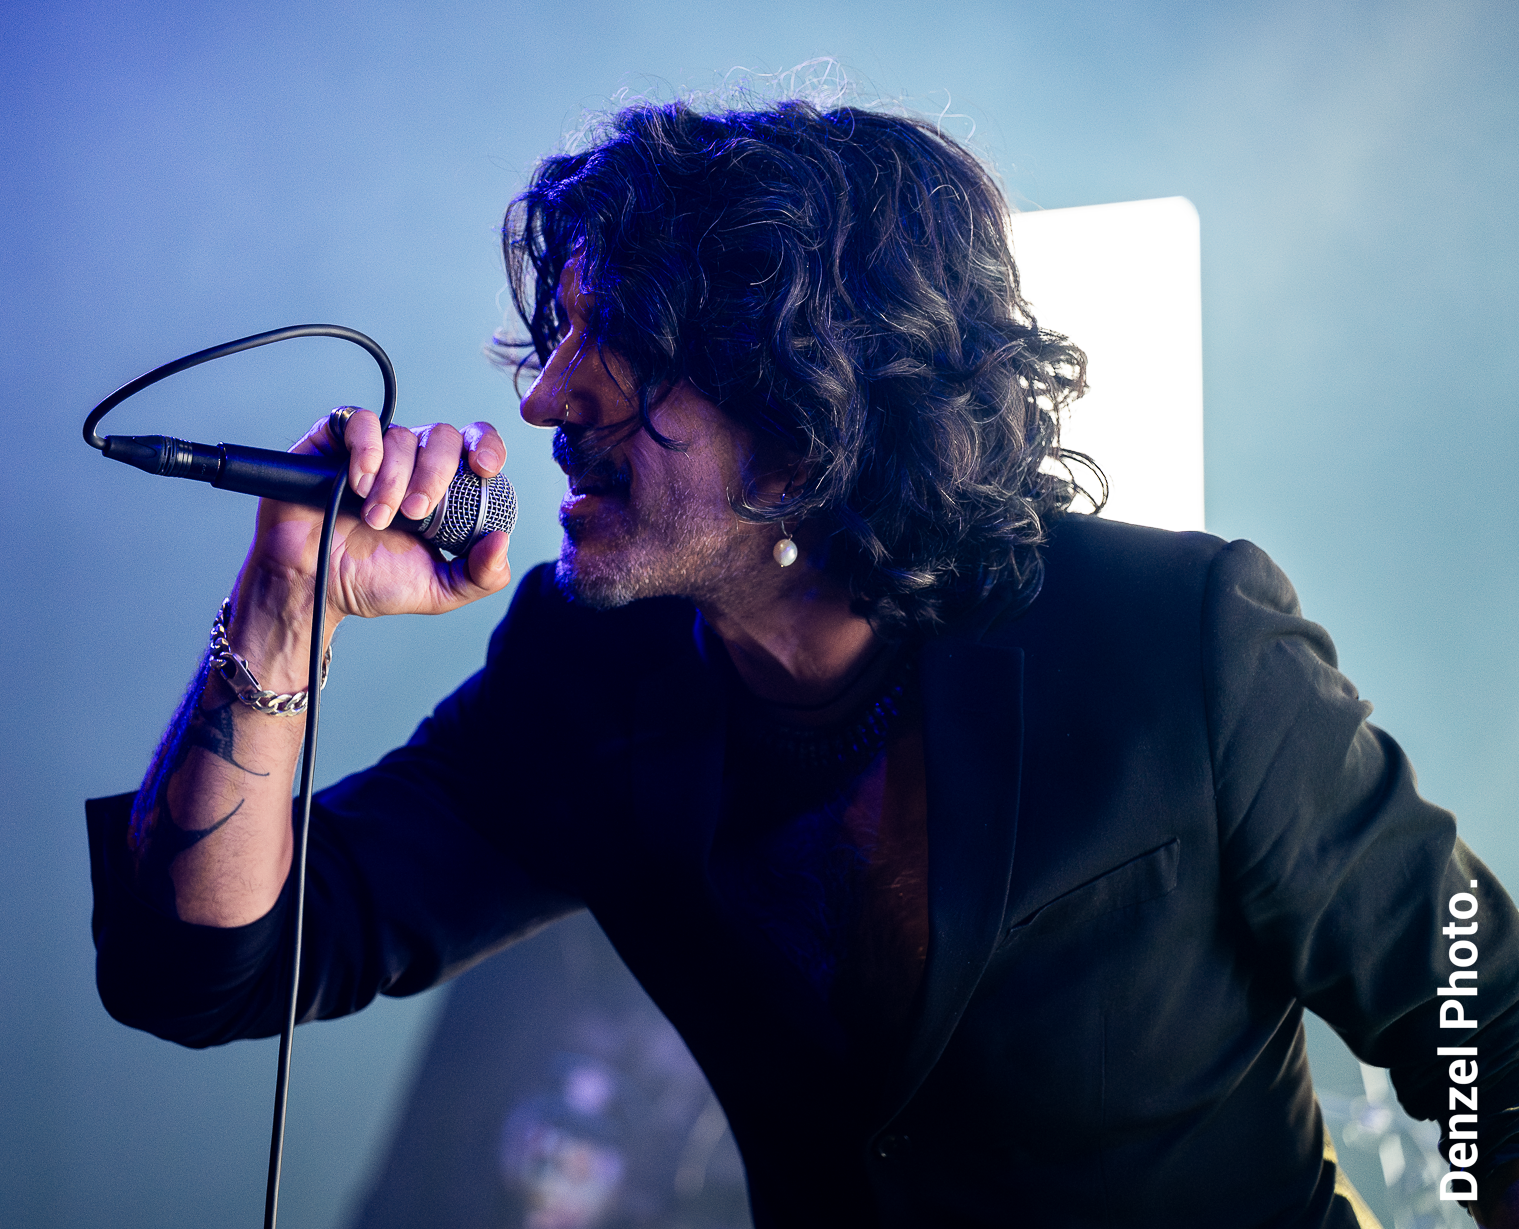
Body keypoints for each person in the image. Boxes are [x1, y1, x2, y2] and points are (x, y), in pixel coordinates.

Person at [87, 96, 1519, 1226]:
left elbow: (1483, 1032)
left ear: (808, 404)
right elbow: (206, 968)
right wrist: (284, 604)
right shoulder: (591, 678)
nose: (544, 397)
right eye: (558, 332)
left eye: (616, 339)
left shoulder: (1174, 636)